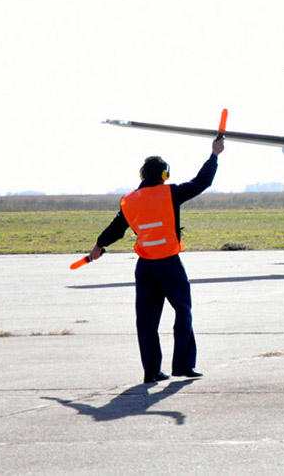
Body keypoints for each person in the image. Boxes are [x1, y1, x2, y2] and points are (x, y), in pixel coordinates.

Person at [90, 137, 224, 384]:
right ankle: (183, 365)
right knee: (183, 311)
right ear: (165, 174)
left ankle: (151, 371)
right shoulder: (171, 193)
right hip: (169, 264)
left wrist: (99, 245)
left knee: (146, 320)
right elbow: (202, 182)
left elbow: (117, 228)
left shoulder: (129, 200)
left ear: (141, 174)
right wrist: (214, 155)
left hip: (145, 266)